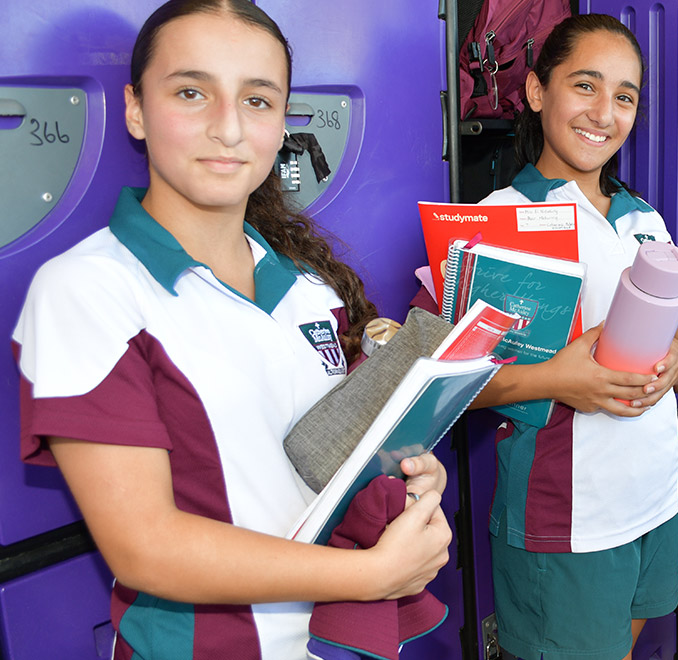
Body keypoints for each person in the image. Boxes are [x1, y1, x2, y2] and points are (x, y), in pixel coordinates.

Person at [11, 2, 452, 658]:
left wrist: (412, 477)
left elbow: (331, 462)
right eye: (192, 92)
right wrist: (371, 575)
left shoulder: (312, 287)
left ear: (281, 123)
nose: (228, 128)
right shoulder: (86, 290)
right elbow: (145, 549)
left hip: (330, 642)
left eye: (257, 100)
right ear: (135, 109)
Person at [462, 14, 678, 660]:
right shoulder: (500, 222)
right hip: (566, 519)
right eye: (585, 86)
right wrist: (562, 380)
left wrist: (672, 362)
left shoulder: (643, 219)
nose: (604, 113)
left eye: (623, 97)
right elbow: (448, 387)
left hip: (650, 499)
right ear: (537, 92)